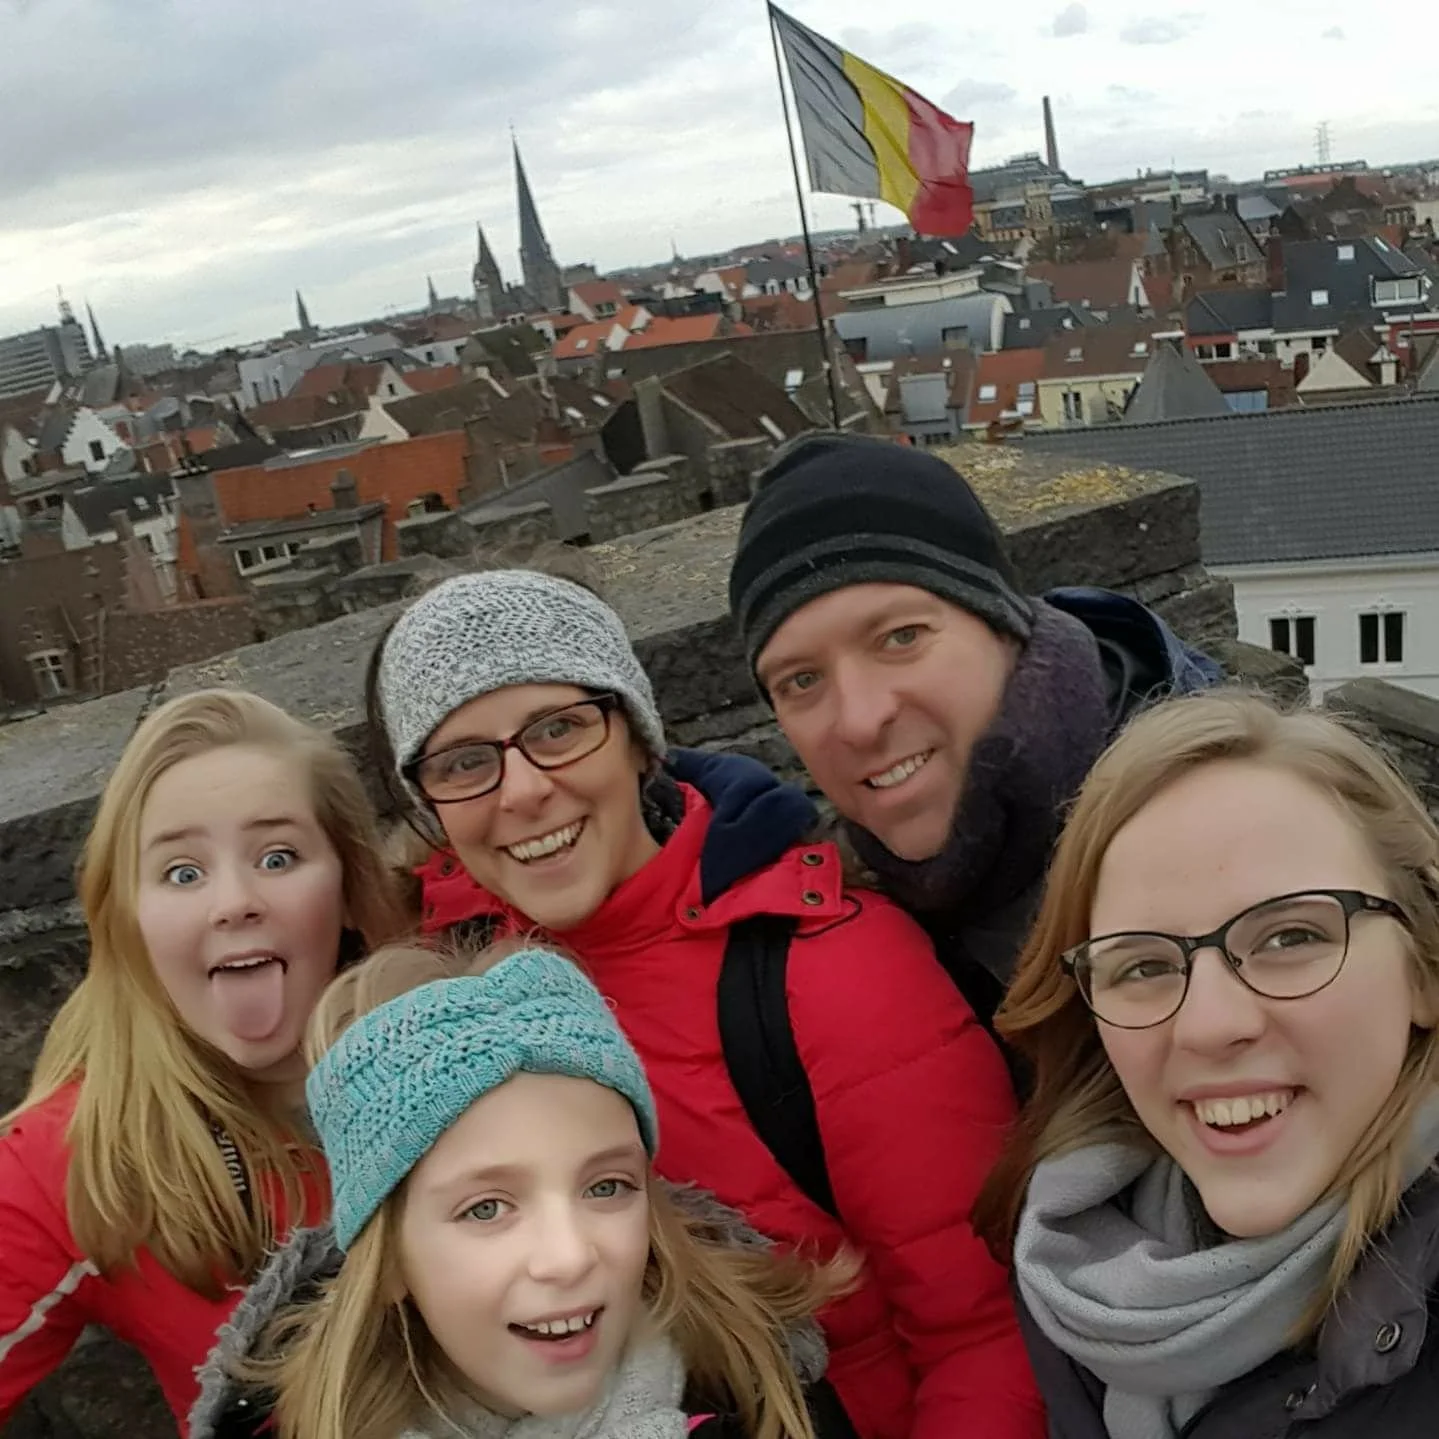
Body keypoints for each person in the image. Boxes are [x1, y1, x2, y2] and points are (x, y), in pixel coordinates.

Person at [362, 566, 1045, 1439]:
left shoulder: (830, 974)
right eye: (464, 761)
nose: (522, 789)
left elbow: (981, 1336)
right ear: (429, 803)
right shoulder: (437, 987)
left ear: (638, 737)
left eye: (559, 728)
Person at [975, 690, 1439, 1438]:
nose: (1208, 1025)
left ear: (1421, 967)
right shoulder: (1081, 1270)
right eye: (1141, 964)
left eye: (1290, 937)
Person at [190, 940, 853, 1439]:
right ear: (387, 1257)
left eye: (605, 1185)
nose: (567, 1256)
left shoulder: (769, 1397)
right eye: (485, 1206)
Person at [0, 689, 405, 1430]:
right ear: (128, 914)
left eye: (277, 856)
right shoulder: (76, 1161)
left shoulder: (466, 1047)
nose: (234, 902)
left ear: (348, 883)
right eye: (183, 872)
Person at [726, 430, 1221, 1006]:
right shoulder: (853, 934)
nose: (860, 720)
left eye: (900, 637)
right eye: (801, 681)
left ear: (1005, 625)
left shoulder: (1233, 841)